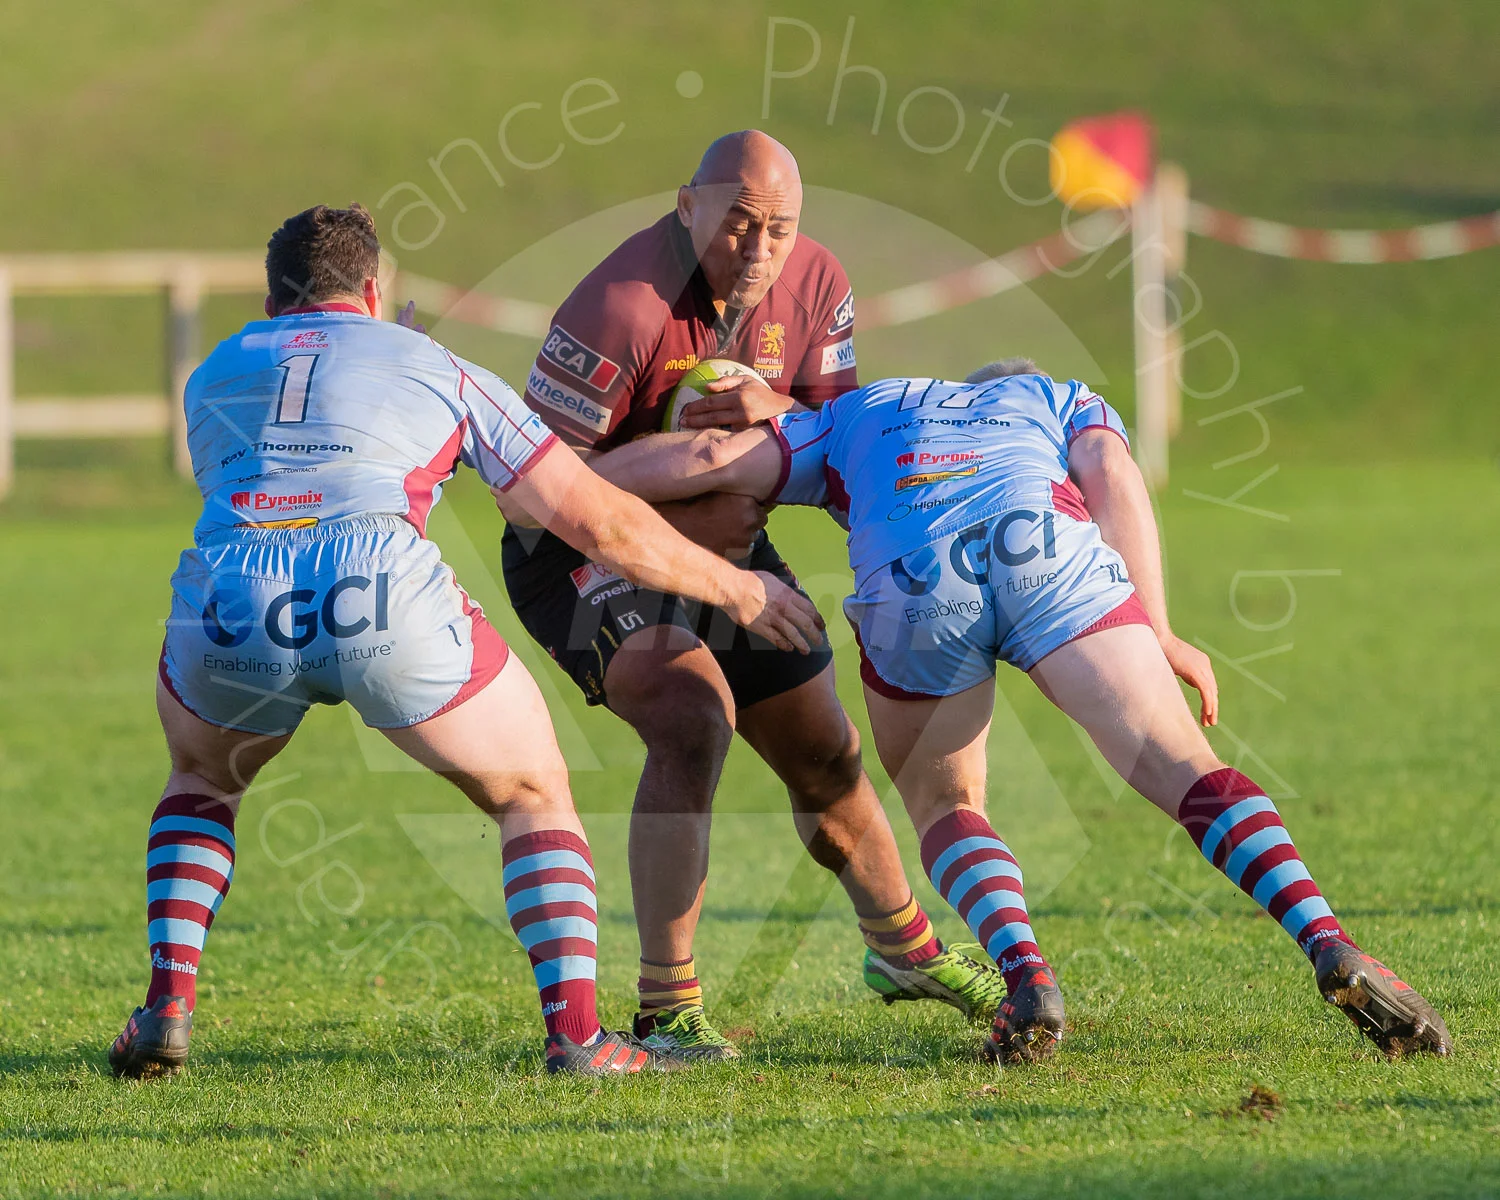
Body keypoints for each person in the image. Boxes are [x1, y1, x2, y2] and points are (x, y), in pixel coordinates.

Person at [107, 203, 826, 1080]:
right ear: (376, 289)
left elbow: (307, 414)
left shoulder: (215, 370)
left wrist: (383, 354)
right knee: (532, 791)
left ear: (272, 298)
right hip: (376, 589)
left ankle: (165, 1013)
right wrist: (738, 588)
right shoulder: (433, 365)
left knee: (200, 782)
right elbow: (594, 519)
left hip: (232, 593)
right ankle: (579, 1039)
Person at [588, 357, 1453, 1062]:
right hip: (1046, 550)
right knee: (1185, 768)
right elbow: (1113, 474)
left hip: (919, 578)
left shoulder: (865, 409)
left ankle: (1027, 976)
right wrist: (1156, 627)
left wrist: (559, 480)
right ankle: (1327, 938)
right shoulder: (1055, 395)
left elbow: (705, 463)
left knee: (948, 804)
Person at [502, 130, 1004, 1059]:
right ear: (687, 205)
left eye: (780, 228)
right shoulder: (619, 305)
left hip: (733, 544)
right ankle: (667, 1010)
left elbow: (837, 435)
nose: (760, 248)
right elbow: (535, 487)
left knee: (824, 748)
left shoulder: (818, 284)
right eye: (739, 223)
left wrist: (783, 423)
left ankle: (904, 948)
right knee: (695, 717)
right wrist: (689, 527)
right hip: (576, 555)